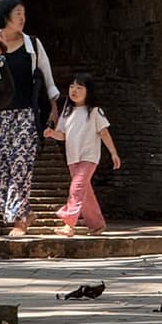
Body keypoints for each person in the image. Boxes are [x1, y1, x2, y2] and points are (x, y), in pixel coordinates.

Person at [0, 0, 61, 237]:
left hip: (26, 115)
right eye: (18, 14)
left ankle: (19, 221)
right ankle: (23, 212)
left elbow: (47, 78)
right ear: (5, 16)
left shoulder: (33, 45)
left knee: (21, 165)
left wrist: (53, 107)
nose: (22, 19)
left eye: (24, 14)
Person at [43, 73, 122, 237]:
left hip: (89, 157)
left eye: (79, 87)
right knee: (85, 192)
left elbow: (104, 133)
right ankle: (97, 224)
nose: (74, 90)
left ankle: (68, 223)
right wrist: (51, 133)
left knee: (77, 187)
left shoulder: (94, 112)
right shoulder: (67, 113)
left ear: (88, 91)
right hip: (73, 157)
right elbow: (63, 135)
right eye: (72, 87)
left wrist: (113, 153)